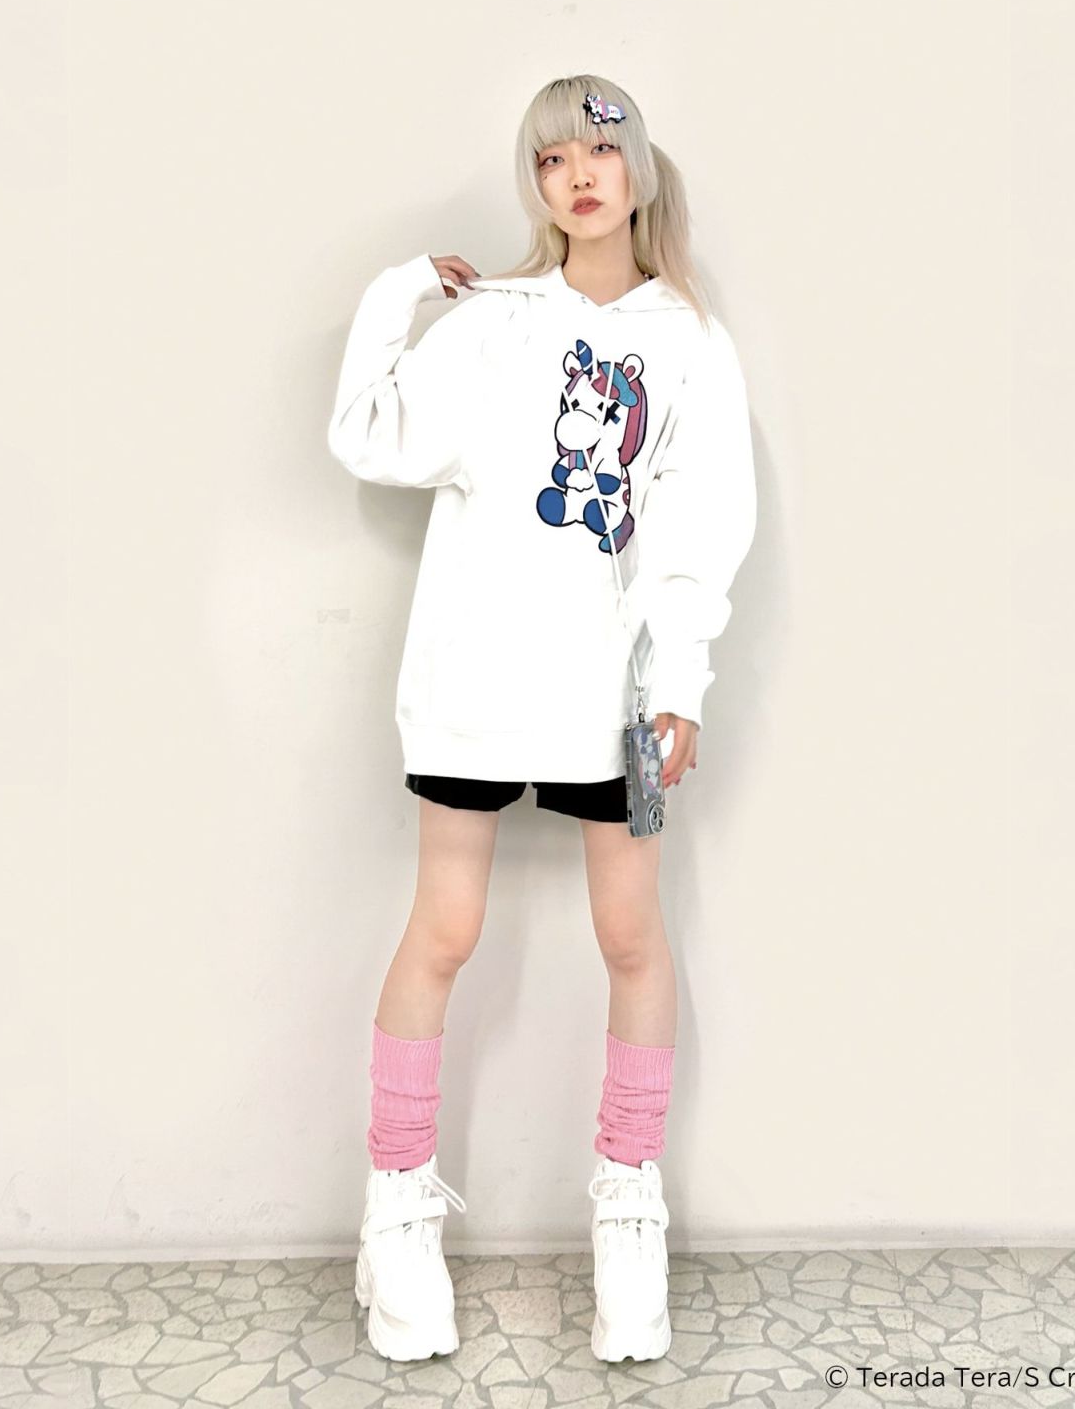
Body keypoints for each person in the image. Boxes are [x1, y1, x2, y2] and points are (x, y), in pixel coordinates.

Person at [328, 74, 757, 1365]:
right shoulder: (495, 328)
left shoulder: (689, 343)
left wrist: (678, 683)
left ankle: (629, 1210)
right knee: (444, 929)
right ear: (537, 185)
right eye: (551, 158)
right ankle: (397, 1211)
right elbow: (368, 435)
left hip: (616, 697)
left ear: (637, 168)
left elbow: (700, 525)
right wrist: (399, 292)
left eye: (598, 149)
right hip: (474, 683)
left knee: (632, 935)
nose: (577, 175)